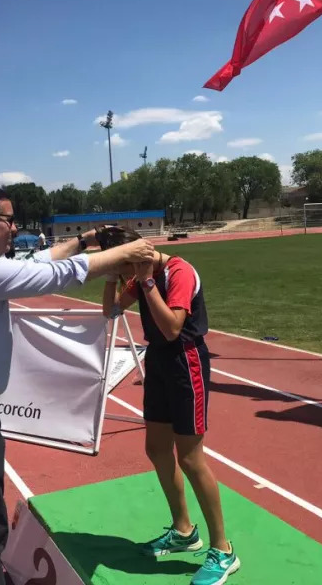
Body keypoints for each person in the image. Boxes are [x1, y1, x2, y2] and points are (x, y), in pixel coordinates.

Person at [0, 186, 154, 585]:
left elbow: (34, 262)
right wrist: (126, 253)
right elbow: (50, 276)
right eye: (9, 220)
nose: (14, 228)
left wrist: (84, 241)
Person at [97, 225, 240, 585]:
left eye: (121, 265)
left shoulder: (178, 272)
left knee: (190, 458)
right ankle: (184, 531)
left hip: (185, 361)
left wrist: (146, 282)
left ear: (137, 257)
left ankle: (223, 550)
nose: (124, 275)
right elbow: (111, 311)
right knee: (157, 448)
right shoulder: (137, 275)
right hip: (159, 361)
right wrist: (112, 277)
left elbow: (172, 328)